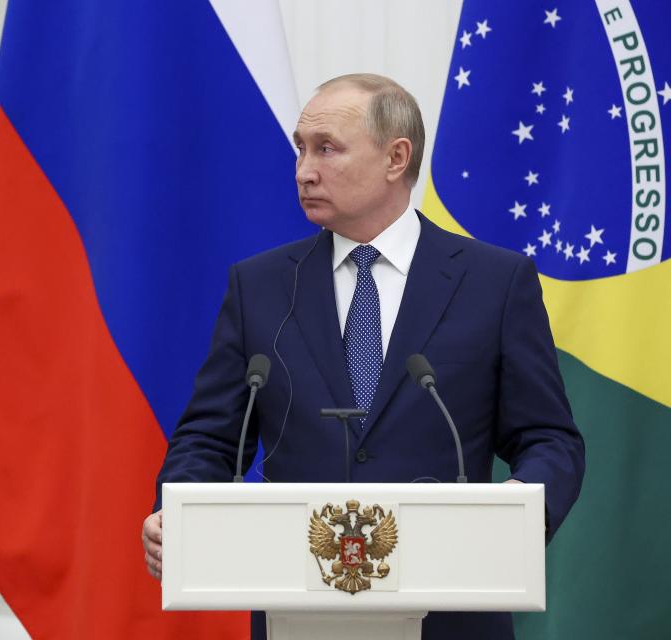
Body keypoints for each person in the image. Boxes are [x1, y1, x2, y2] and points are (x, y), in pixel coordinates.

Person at [141, 73, 585, 640]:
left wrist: (518, 513)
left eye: (326, 149)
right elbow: (208, 438)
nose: (304, 170)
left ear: (396, 158)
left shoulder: (495, 283)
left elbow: (550, 439)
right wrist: (174, 513)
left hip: (451, 614)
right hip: (298, 613)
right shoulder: (261, 286)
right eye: (300, 150)